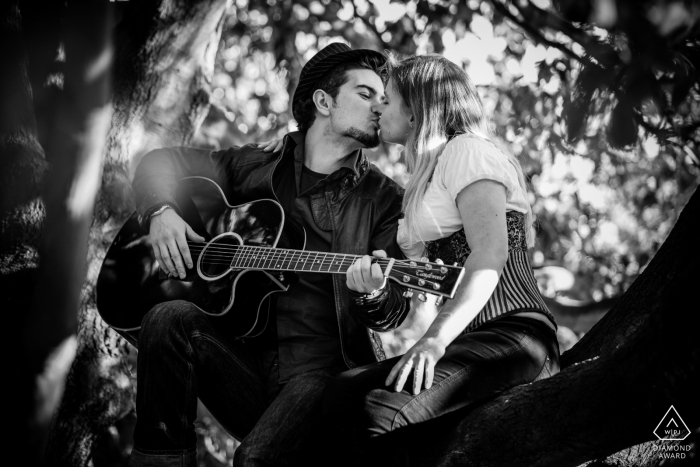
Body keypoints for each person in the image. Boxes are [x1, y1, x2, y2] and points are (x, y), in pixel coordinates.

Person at [127, 43, 409, 467]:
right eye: (365, 94)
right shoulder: (253, 166)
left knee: (254, 460)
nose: (379, 108)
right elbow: (160, 163)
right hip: (245, 365)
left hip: (325, 376)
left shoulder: (384, 199)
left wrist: (373, 293)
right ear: (324, 101)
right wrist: (160, 211)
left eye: (382, 98)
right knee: (168, 320)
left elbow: (394, 311)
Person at [334, 54, 561, 464]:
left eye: (389, 98)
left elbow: (490, 253)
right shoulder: (425, 182)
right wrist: (372, 293)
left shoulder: (467, 152)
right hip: (472, 341)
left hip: (515, 335)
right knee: (339, 393)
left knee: (378, 408)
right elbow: (402, 302)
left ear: (418, 109)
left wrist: (434, 341)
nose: (379, 107)